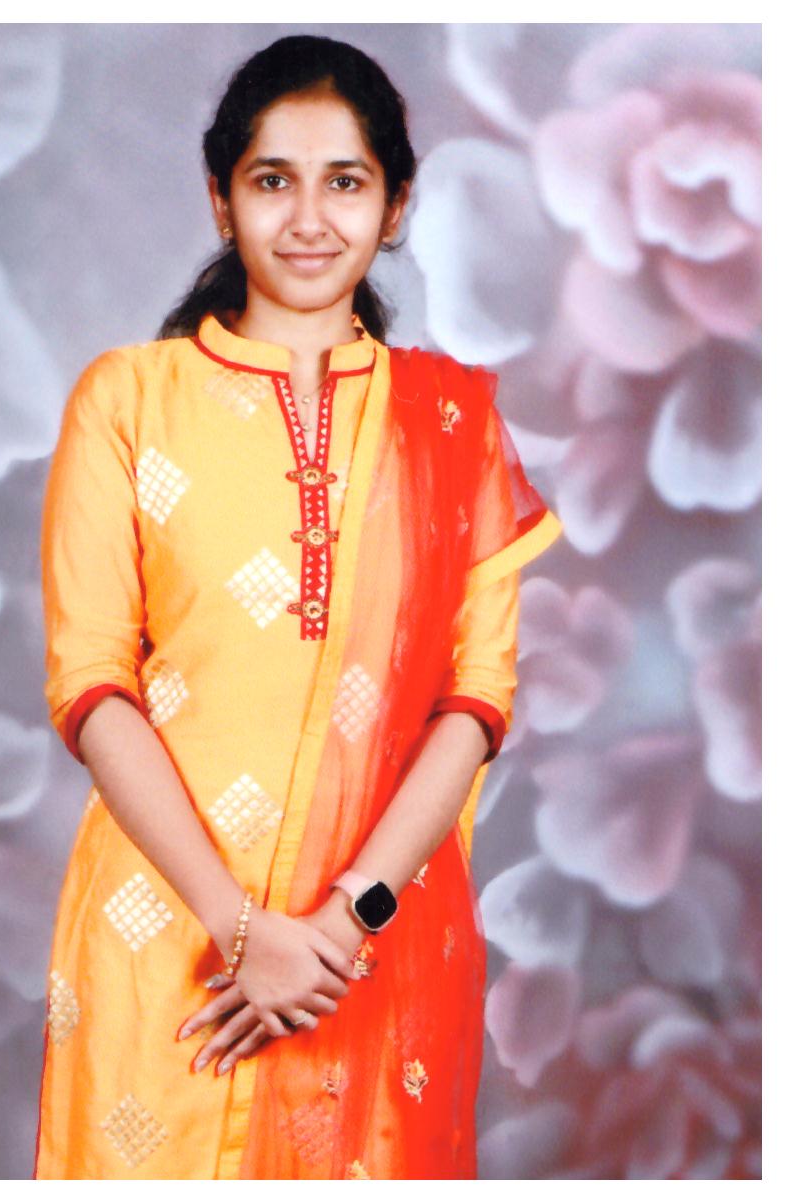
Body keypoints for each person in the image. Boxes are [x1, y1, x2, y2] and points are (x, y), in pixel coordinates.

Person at [34, 34, 562, 1180]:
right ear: (219, 200)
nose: (309, 219)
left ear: (395, 204)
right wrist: (239, 930)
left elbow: (476, 700)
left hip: (365, 953)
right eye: (272, 180)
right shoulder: (127, 400)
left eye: (346, 182)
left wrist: (338, 928)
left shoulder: (453, 425)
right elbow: (91, 684)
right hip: (169, 936)